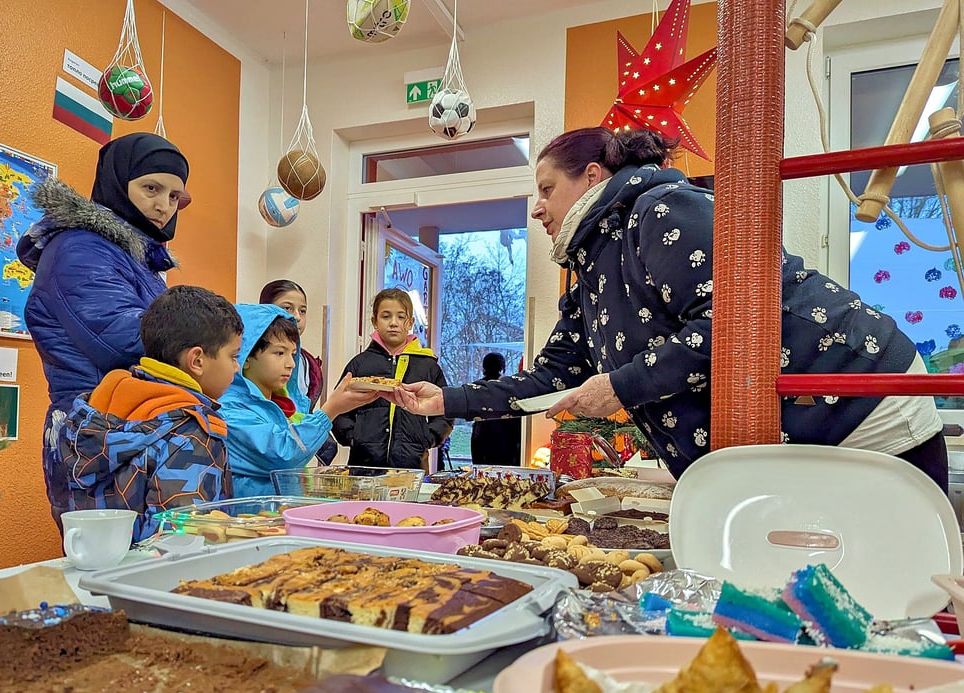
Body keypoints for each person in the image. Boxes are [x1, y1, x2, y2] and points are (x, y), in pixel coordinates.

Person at [389, 127, 948, 491]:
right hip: (804, 433)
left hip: (859, 401)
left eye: (546, 189)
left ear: (592, 177)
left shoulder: (662, 209)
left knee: (891, 593)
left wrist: (620, 386)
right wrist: (447, 399)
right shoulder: (591, 271)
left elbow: (734, 320)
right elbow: (551, 377)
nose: (537, 209)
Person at [17, 132, 191, 529]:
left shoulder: (138, 260)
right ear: (118, 182)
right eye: (151, 188)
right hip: (98, 429)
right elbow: (126, 342)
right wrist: (209, 340)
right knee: (116, 556)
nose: (163, 206)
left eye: (174, 196)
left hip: (122, 424)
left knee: (154, 555)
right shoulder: (80, 250)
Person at [59, 285, 243, 542]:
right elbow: (184, 538)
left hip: (94, 560)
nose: (236, 367)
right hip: (163, 567)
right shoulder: (193, 430)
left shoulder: (92, 409)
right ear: (197, 360)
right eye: (233, 356)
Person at [218, 303, 379, 496]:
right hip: (249, 514)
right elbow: (284, 455)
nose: (291, 364)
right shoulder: (229, 409)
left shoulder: (281, 407)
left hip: (276, 513)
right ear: (245, 356)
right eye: (279, 353)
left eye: (293, 354)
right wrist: (330, 411)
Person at [332, 288, 453, 470]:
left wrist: (427, 438)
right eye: (386, 316)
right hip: (364, 467)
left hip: (412, 467)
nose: (393, 323)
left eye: (401, 317)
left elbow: (445, 411)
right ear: (375, 321)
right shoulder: (359, 364)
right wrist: (353, 436)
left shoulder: (428, 366)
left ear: (410, 322)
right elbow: (338, 408)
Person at [259, 279, 338, 465]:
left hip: (299, 448)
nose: (296, 317)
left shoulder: (308, 363)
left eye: (302, 310)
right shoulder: (251, 360)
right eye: (287, 308)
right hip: (273, 448)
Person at [470, 353, 522, 466]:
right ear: (502, 367)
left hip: (482, 436)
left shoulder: (477, 387)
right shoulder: (508, 387)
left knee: (482, 471)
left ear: (484, 367)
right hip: (506, 438)